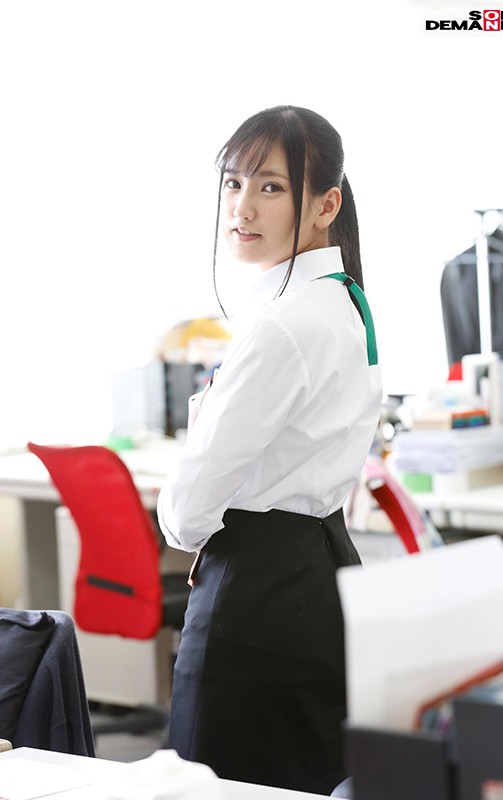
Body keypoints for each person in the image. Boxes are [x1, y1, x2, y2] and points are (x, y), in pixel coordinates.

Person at [157, 105, 383, 794]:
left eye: (271, 187)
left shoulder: (282, 325)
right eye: (233, 183)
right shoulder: (340, 302)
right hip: (317, 578)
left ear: (325, 206)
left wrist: (195, 524)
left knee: (217, 786)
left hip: (254, 598)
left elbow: (185, 515)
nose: (242, 207)